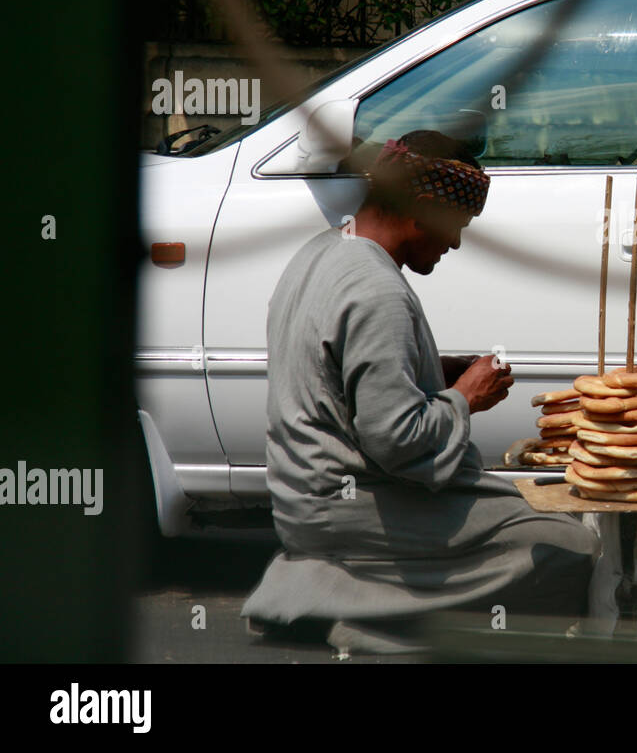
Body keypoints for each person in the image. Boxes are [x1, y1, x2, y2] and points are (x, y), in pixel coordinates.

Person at [241, 129, 599, 654]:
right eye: (455, 226)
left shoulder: (318, 253)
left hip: (299, 507)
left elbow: (345, 377)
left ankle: (322, 593)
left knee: (537, 517)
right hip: (354, 507)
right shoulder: (377, 288)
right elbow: (398, 443)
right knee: (571, 547)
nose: (454, 242)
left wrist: (433, 371)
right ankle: (382, 626)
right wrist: (464, 399)